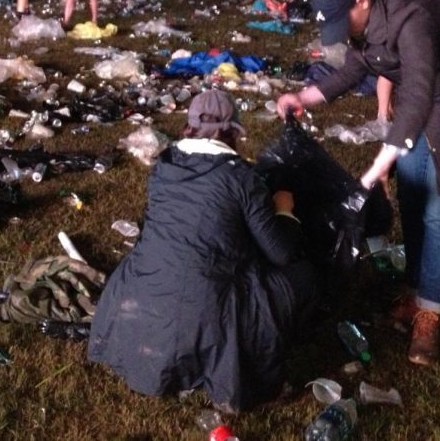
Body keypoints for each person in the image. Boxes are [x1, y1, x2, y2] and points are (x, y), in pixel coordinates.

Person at [277, 0, 440, 367]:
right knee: (410, 194)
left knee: (439, 212)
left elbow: (419, 90)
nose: (343, 30)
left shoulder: (414, 19)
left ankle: (431, 311)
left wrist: (380, 162)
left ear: (362, 1)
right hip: (423, 107)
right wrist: (303, 96)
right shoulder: (373, 22)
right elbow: (355, 70)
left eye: (343, 19)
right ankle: (417, 287)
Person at [88, 90, 318, 412]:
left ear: (191, 127)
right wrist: (284, 210)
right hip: (204, 303)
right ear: (231, 130)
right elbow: (280, 252)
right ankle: (249, 371)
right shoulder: (241, 178)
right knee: (300, 275)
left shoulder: (163, 167)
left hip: (143, 291)